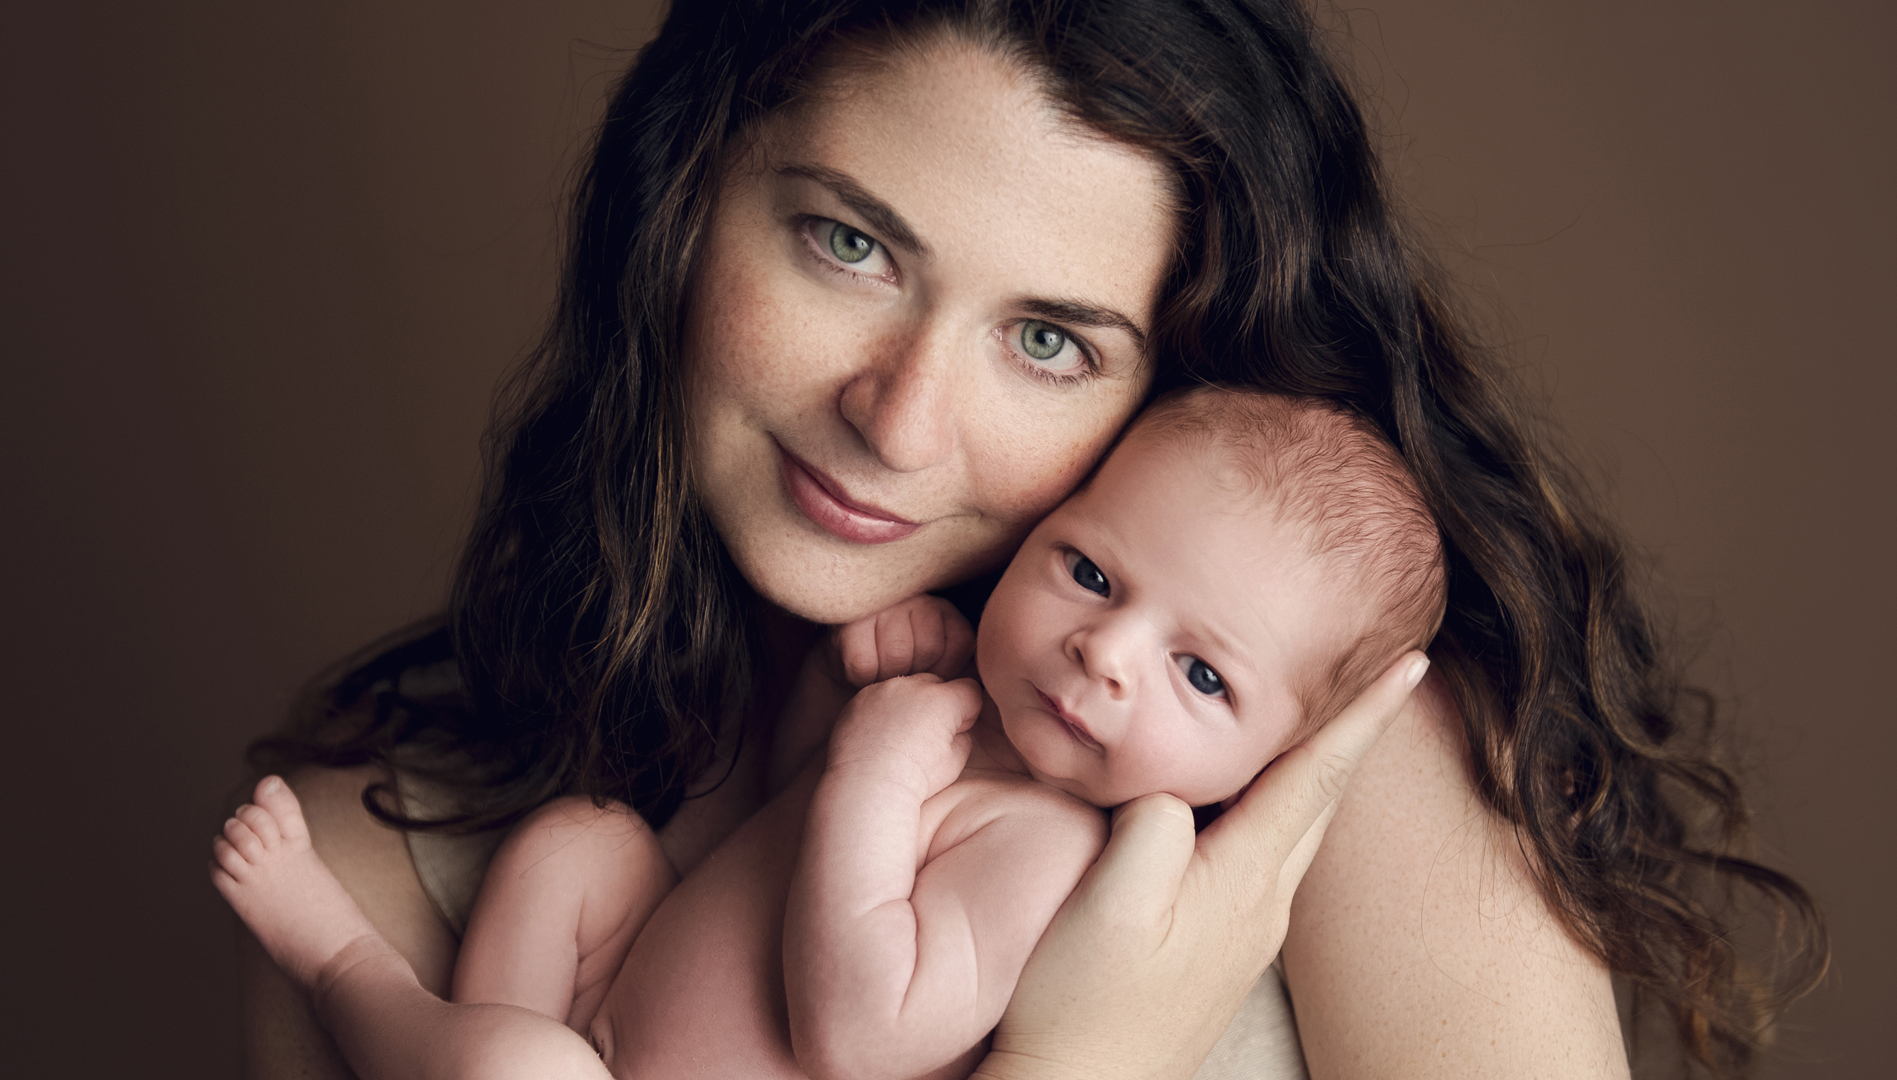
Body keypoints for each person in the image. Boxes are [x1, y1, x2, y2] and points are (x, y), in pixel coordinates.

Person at [238, 1, 1825, 1078]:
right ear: (684, 202)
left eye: (1051, 340)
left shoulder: (1337, 764)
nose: (902, 419)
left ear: (1175, 374)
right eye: (849, 243)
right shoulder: (375, 848)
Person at [216, 388, 1446, 1080]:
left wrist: (878, 762)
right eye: (1089, 570)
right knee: (583, 842)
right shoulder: (970, 705)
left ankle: (349, 971)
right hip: (607, 1004)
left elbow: (856, 1029)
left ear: (1275, 766)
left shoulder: (1065, 862)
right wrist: (840, 706)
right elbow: (781, 817)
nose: (1104, 653)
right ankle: (493, 1040)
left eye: (1199, 674)